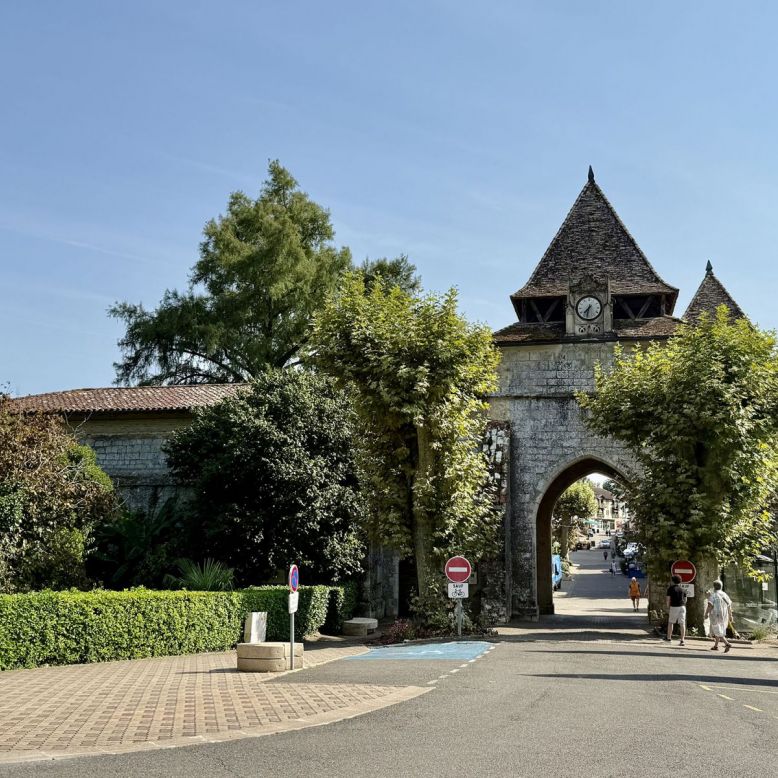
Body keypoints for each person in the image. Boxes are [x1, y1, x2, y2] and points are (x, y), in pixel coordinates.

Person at [705, 580, 733, 653]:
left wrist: (706, 614)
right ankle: (716, 646)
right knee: (720, 630)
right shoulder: (725, 594)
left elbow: (710, 606)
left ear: (714, 587)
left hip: (715, 615)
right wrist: (730, 615)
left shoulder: (713, 595)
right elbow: (729, 606)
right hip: (724, 615)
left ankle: (727, 643)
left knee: (717, 630)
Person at [665, 574, 687, 645]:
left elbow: (668, 599)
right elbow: (685, 600)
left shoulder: (670, 589)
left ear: (673, 581)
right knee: (682, 623)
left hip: (674, 607)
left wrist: (668, 607)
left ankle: (669, 639)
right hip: (682, 607)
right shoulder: (683, 589)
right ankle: (682, 640)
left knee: (671, 622)